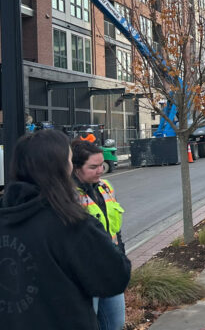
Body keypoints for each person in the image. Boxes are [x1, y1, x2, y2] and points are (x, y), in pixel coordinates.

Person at [0, 130, 130, 329]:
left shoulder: (7, 217)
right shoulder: (70, 222)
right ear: (60, 168)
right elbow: (115, 276)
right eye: (69, 160)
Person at [72, 140, 126, 330]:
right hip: (85, 273)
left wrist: (121, 255)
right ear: (76, 168)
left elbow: (115, 228)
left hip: (110, 266)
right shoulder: (68, 196)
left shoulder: (106, 187)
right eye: (92, 167)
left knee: (115, 323)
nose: (100, 170)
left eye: (101, 165)